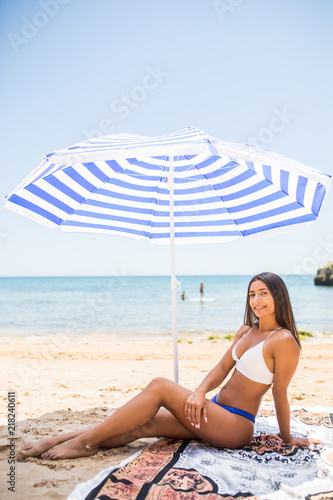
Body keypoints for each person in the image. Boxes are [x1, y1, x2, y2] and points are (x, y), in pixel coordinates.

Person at [20, 272, 320, 460]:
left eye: (263, 293)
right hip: (213, 408)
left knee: (161, 386)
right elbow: (220, 369)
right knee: (144, 425)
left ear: (278, 296)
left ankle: (83, 443)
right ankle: (57, 439)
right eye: (252, 294)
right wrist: (200, 392)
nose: (256, 300)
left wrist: (288, 437)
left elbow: (279, 394)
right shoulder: (246, 331)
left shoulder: (284, 341)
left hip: (236, 425)